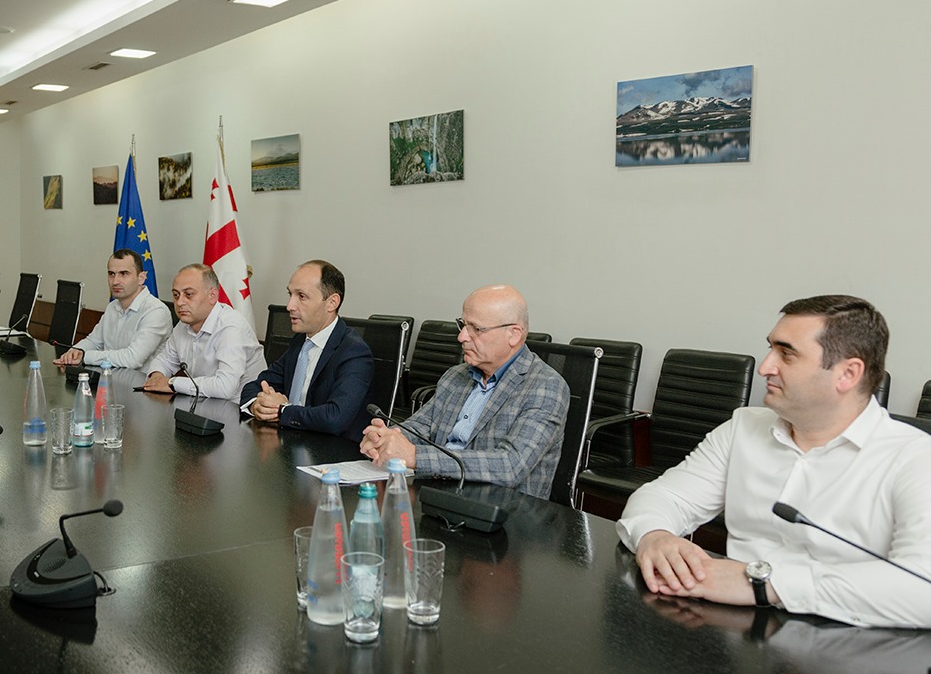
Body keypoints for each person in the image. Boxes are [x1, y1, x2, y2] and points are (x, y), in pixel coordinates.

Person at [617, 295, 931, 628]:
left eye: (787, 354)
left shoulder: (915, 458)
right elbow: (664, 497)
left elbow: (923, 586)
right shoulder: (743, 428)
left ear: (847, 374)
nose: (765, 367)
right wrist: (656, 536)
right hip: (735, 630)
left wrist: (764, 584)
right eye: (771, 349)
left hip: (851, 639)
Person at [359, 285, 569, 498]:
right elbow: (420, 428)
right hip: (439, 494)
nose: (462, 337)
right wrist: (386, 439)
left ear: (513, 334)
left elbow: (510, 466)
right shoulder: (456, 376)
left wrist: (415, 456)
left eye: (476, 329)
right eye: (462, 325)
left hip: (502, 507)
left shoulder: (545, 387)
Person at [240, 260, 373, 441]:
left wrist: (282, 410)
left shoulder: (354, 352)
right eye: (290, 294)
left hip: (331, 451)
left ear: (332, 302)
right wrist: (257, 405)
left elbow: (335, 418)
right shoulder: (300, 342)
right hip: (289, 442)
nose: (289, 306)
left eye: (301, 296)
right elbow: (254, 386)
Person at [144, 264, 266, 400]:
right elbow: (164, 361)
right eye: (176, 295)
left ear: (212, 295)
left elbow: (225, 388)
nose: (179, 302)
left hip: (239, 408)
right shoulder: (184, 324)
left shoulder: (231, 326)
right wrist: (157, 376)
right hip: (202, 403)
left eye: (188, 294)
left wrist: (172, 383)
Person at [54, 248, 172, 370]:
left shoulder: (156, 311)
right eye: (111, 274)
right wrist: (75, 351)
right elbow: (94, 341)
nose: (115, 281)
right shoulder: (112, 306)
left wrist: (84, 356)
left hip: (141, 381)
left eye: (124, 274)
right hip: (109, 377)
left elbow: (132, 359)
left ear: (141, 278)